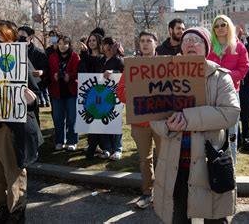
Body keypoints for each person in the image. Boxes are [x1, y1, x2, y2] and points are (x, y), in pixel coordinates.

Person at [150, 27, 240, 223]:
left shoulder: (220, 77)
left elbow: (230, 113)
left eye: (197, 40)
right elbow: (153, 117)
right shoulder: (164, 75)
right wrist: (168, 126)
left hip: (209, 161)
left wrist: (187, 118)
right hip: (176, 162)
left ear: (206, 48)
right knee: (177, 216)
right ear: (181, 46)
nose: (191, 43)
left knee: (215, 216)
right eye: (187, 39)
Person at [0, 20, 43, 224]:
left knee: (13, 171)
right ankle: (3, 208)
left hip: (9, 126)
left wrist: (31, 100)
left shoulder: (18, 59)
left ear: (10, 40)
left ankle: (16, 212)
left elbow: (36, 93)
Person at [117, 31, 161, 209]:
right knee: (145, 159)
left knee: (166, 158)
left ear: (155, 43)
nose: (145, 44)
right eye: (142, 41)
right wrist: (135, 96)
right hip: (140, 122)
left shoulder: (165, 64)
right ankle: (147, 193)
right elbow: (121, 92)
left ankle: (165, 192)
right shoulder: (132, 66)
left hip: (161, 121)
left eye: (148, 41)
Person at [207, 15, 249, 163]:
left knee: (232, 131)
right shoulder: (209, 46)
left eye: (222, 25)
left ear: (228, 26)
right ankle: (213, 162)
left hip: (231, 93)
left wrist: (225, 77)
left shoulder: (239, 47)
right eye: (216, 26)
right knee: (212, 130)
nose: (219, 28)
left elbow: (243, 68)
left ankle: (231, 165)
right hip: (211, 94)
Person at [48, 35, 80, 151]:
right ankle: (60, 140)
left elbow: (78, 72)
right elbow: (49, 72)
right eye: (60, 44)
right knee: (58, 118)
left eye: (65, 44)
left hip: (71, 92)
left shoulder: (75, 57)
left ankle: (72, 141)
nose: (62, 46)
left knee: (72, 118)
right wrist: (54, 76)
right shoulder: (52, 57)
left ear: (69, 45)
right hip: (57, 92)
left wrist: (70, 76)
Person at [78, 31, 105, 159]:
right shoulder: (86, 56)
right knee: (91, 121)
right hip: (89, 93)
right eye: (90, 40)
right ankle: (92, 146)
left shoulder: (104, 58)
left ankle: (99, 147)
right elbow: (82, 70)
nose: (91, 43)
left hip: (101, 92)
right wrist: (83, 54)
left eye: (94, 40)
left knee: (100, 121)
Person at [99, 36, 124, 160]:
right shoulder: (102, 60)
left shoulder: (118, 60)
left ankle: (117, 148)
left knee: (115, 122)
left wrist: (113, 72)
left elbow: (124, 73)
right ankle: (107, 148)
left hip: (115, 96)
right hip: (102, 95)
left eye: (105, 44)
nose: (103, 47)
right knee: (104, 121)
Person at [18, 26, 49, 109]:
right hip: (18, 86)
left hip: (33, 86)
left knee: (32, 111)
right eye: (18, 35)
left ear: (30, 37)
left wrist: (41, 72)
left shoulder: (39, 53)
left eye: (23, 35)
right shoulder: (14, 50)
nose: (20, 37)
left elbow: (46, 68)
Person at [236, 24, 249, 144]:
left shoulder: (247, 48)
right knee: (235, 113)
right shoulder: (232, 47)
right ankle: (238, 138)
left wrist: (247, 35)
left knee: (247, 113)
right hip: (235, 85)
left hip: (246, 86)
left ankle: (246, 136)